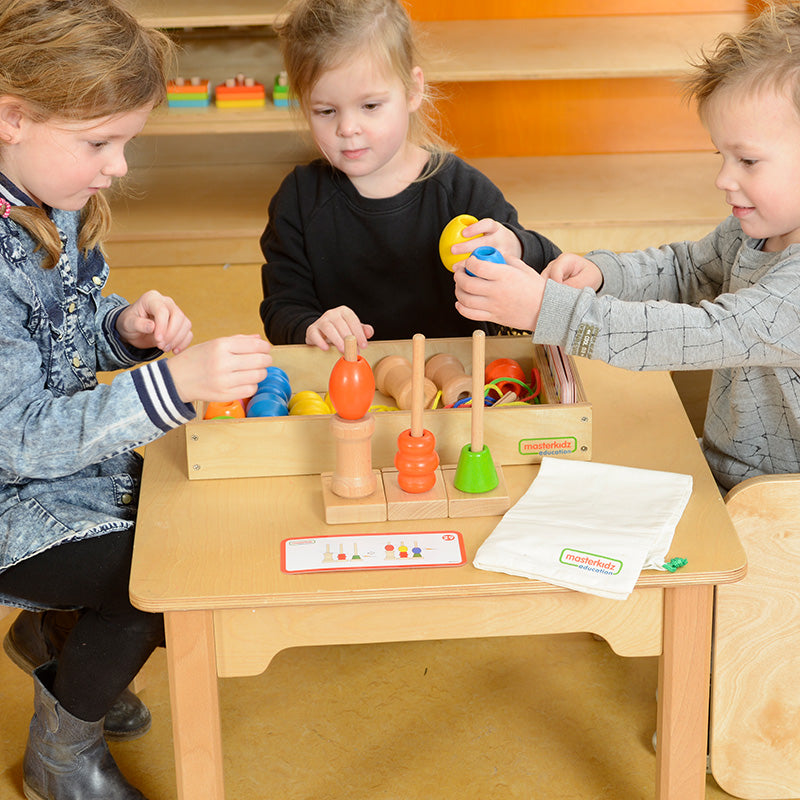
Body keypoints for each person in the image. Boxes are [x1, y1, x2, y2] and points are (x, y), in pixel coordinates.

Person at [0, 2, 272, 798]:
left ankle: (60, 636)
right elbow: (18, 438)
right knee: (161, 576)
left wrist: (122, 331)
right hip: (16, 487)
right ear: (13, 119)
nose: (117, 166)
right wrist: (170, 387)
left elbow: (59, 341)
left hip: (53, 475)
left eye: (125, 142)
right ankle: (60, 757)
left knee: (189, 512)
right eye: (99, 143)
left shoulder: (49, 196)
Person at [453, 0, 800, 493]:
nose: (723, 178)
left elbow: (700, 333)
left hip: (775, 506)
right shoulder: (759, 230)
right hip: (727, 473)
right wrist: (601, 276)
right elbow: (687, 271)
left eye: (747, 160)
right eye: (720, 155)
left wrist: (548, 310)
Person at [259, 0, 560, 354]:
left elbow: (548, 271)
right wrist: (311, 326)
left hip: (459, 379)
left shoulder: (461, 191)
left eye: (370, 106)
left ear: (413, 90)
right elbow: (282, 308)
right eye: (325, 111)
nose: (347, 128)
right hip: (346, 378)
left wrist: (516, 246)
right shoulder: (298, 200)